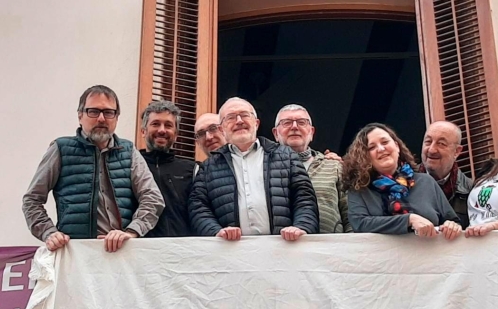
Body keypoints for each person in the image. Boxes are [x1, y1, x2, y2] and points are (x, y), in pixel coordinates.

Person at [22, 85, 164, 252]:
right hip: (77, 254)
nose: (102, 119)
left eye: (109, 112)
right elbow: (32, 200)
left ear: (117, 118)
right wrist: (48, 232)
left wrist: (132, 232)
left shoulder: (129, 151)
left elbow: (153, 198)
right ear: (80, 116)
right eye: (94, 111)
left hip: (122, 253)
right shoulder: (61, 149)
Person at [189, 97, 319, 241]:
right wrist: (216, 232)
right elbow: (198, 208)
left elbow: (304, 199)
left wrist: (301, 227)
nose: (239, 121)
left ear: (256, 123)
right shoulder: (208, 167)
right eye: (231, 117)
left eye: (245, 115)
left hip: (284, 249)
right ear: (222, 129)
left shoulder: (286, 156)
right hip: (230, 252)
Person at [343, 123, 461, 239]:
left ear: (397, 146)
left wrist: (451, 226)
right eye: (371, 147)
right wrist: (409, 220)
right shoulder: (359, 189)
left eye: (385, 142)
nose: (381, 149)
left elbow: (453, 221)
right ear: (365, 156)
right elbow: (360, 224)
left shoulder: (426, 182)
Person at [272, 104, 351, 233]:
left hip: (329, 249)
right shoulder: (263, 167)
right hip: (277, 248)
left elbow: (350, 215)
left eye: (302, 122)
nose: (294, 127)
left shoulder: (334, 166)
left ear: (311, 132)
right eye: (286, 123)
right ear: (276, 133)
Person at [139, 100, 196, 237]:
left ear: (176, 134)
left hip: (182, 252)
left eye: (168, 125)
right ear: (143, 131)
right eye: (155, 124)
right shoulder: (130, 167)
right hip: (139, 252)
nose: (162, 130)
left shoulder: (193, 170)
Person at [420, 121, 473, 228]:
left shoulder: (471, 190)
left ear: (457, 151)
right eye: (428, 141)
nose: (431, 149)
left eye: (441, 144)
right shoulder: (403, 183)